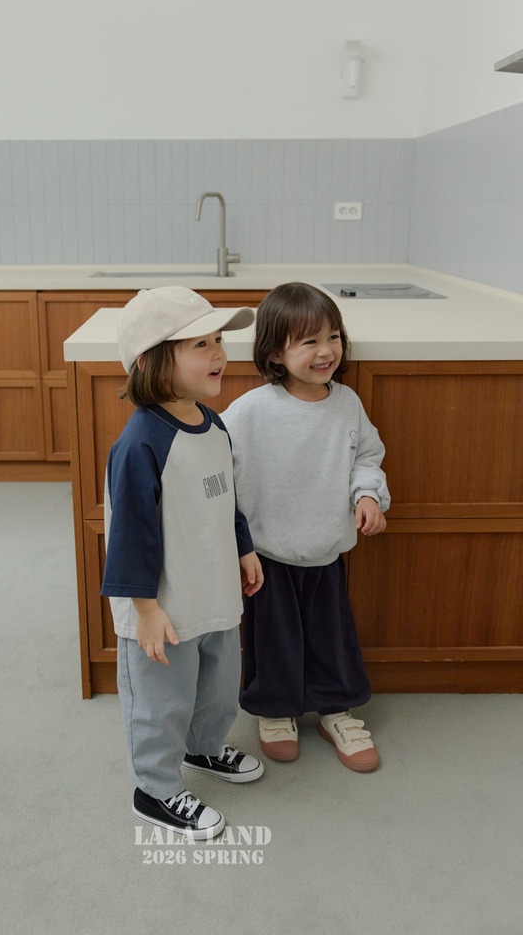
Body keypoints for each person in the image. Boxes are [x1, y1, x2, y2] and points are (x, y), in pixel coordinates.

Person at [101, 286, 265, 840]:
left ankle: (203, 747)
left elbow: (225, 499)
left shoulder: (213, 424)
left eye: (219, 340)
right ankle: (154, 788)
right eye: (201, 344)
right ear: (151, 361)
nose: (219, 353)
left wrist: (243, 547)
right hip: (163, 607)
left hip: (212, 590)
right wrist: (144, 610)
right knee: (162, 700)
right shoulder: (140, 444)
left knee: (216, 686)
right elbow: (130, 535)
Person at [221, 282, 390, 772]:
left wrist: (367, 494)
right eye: (309, 341)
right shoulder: (251, 410)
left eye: (332, 337)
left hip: (326, 549)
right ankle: (275, 711)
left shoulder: (347, 403)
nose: (326, 351)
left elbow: (367, 456)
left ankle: (336, 710)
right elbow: (215, 462)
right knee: (272, 640)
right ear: (276, 351)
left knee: (330, 637)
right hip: (267, 555)